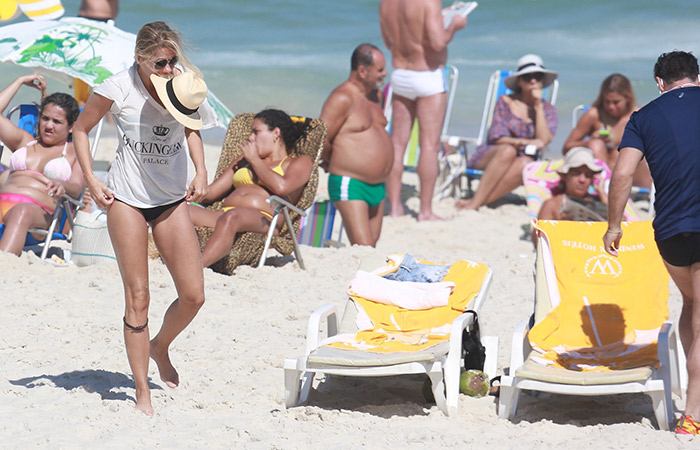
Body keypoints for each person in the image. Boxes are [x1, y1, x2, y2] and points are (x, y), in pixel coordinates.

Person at [72, 21, 216, 416]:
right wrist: (91, 178)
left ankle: (160, 345)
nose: (169, 69)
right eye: (160, 63)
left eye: (172, 61)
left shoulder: (182, 85)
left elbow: (192, 127)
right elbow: (81, 130)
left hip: (170, 200)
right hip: (127, 200)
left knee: (194, 295)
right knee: (139, 297)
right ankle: (141, 390)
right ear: (140, 60)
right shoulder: (118, 87)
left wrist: (201, 171)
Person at [603, 50, 700, 435]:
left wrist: (614, 226)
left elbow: (623, 172)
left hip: (671, 230)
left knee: (692, 303)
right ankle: (693, 413)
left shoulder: (642, 118)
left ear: (659, 84)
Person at [189, 109, 313, 267]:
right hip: (224, 215)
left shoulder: (299, 162)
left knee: (232, 217)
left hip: (264, 219)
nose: (250, 138)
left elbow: (281, 188)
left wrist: (254, 159)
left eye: (256, 132)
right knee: (176, 210)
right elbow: (212, 193)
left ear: (276, 133)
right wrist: (191, 190)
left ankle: (196, 268)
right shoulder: (244, 160)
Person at [379, 0, 466, 221]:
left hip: (400, 74)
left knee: (397, 144)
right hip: (427, 74)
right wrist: (454, 25)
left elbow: (388, 42)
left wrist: (440, 18)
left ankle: (396, 207)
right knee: (429, 145)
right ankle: (425, 212)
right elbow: (437, 43)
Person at [456, 54, 558, 211]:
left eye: (537, 77)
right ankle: (476, 203)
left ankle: (477, 202)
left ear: (542, 80)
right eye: (527, 77)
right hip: (493, 154)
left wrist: (538, 106)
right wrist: (525, 143)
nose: (533, 81)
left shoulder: (548, 111)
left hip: (521, 159)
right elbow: (496, 137)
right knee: (507, 150)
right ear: (519, 81)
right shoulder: (505, 101)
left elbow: (543, 141)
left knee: (526, 163)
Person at [0, 72, 83, 256]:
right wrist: (19, 80)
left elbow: (77, 188)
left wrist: (63, 184)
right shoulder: (24, 141)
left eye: (57, 121)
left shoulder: (75, 153)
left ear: (71, 127)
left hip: (38, 214)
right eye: (45, 118)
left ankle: (4, 264)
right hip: (3, 205)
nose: (48, 126)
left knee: (21, 212)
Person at [319, 43, 393, 247]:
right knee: (364, 248)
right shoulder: (342, 98)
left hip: (378, 185)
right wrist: (330, 160)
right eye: (380, 70)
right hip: (350, 183)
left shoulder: (376, 96)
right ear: (362, 71)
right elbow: (321, 138)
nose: (385, 74)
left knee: (371, 246)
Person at [563, 73, 651, 188]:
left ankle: (647, 198)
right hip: (600, 176)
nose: (611, 107)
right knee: (596, 144)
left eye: (616, 102)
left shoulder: (637, 116)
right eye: (607, 101)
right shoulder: (594, 115)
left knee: (635, 152)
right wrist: (589, 141)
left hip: (630, 176)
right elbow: (566, 148)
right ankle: (605, 189)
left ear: (627, 98)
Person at [534, 147, 605, 245]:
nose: (582, 180)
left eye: (588, 175)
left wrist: (602, 192)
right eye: (576, 173)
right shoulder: (553, 204)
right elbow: (538, 241)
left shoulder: (599, 201)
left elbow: (622, 227)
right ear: (566, 176)